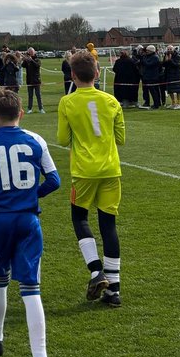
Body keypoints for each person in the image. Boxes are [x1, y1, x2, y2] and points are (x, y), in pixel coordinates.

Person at [0, 87, 60, 357]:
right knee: (31, 288)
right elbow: (54, 180)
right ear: (21, 112)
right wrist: (29, 194)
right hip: (28, 220)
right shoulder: (36, 139)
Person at [56, 49, 125, 307]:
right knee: (109, 225)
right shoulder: (112, 101)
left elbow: (63, 140)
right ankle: (114, 290)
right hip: (110, 170)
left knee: (79, 218)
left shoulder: (67, 102)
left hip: (83, 171)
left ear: (72, 75)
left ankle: (96, 271)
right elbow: (121, 139)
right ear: (97, 73)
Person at [23, 48, 44, 113]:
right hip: (29, 80)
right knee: (30, 95)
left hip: (36, 80)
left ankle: (41, 109)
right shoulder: (27, 60)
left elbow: (37, 65)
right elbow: (22, 65)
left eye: (32, 52)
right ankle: (29, 109)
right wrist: (25, 59)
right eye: (29, 52)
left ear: (34, 52)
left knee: (38, 95)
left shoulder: (37, 59)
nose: (31, 53)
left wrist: (31, 60)